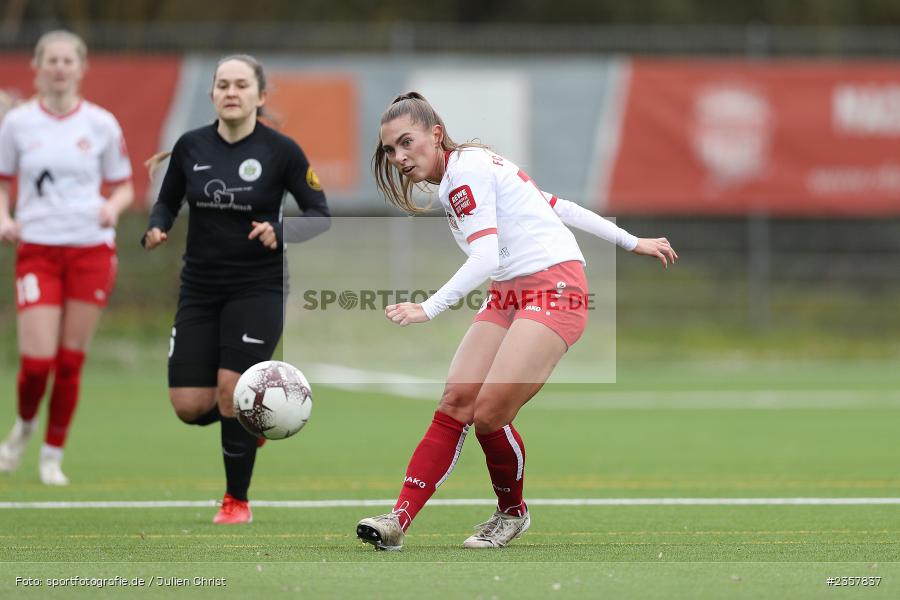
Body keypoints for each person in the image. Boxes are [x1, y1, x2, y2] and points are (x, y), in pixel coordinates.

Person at [356, 92, 677, 550]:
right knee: (456, 400)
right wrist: (630, 241)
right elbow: (555, 204)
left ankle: (512, 514)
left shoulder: (465, 172)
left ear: (436, 134)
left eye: (407, 143)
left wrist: (428, 308)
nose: (399, 158)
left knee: (488, 413)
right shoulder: (469, 167)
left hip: (555, 289)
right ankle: (397, 520)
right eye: (390, 150)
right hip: (509, 292)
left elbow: (486, 255)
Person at [143, 54, 330, 524]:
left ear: (259, 97)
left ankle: (236, 502)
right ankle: (248, 423)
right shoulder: (190, 146)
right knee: (189, 406)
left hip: (258, 287)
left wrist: (279, 232)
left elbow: (320, 215)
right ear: (212, 94)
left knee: (231, 390)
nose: (231, 91)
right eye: (222, 84)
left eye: (241, 85)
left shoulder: (282, 151)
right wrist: (156, 228)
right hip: (200, 288)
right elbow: (166, 203)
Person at [0, 30, 134, 485]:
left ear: (81, 68)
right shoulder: (17, 123)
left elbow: (124, 186)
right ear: (37, 67)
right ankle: (23, 426)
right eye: (50, 60)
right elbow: (3, 181)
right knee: (36, 364)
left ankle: (52, 455)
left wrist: (109, 208)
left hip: (90, 250)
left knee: (70, 362)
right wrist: (4, 217)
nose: (59, 68)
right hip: (37, 249)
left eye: (67, 61)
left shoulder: (100, 123)